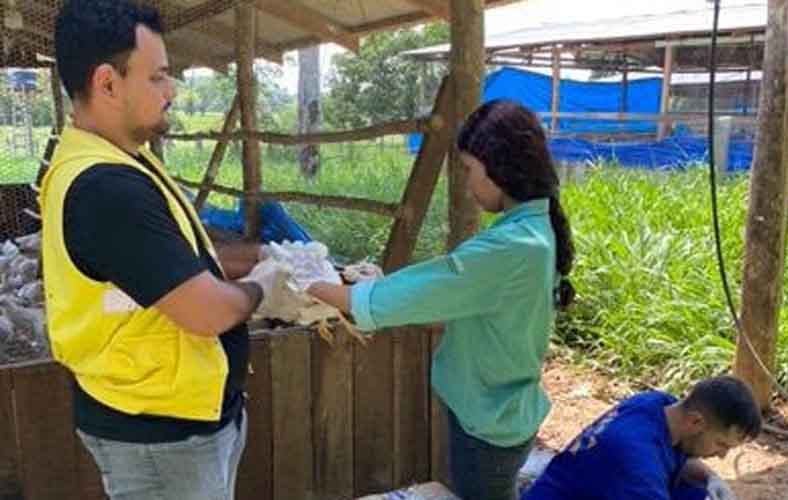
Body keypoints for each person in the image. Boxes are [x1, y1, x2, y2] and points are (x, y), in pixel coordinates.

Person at [41, 1, 290, 499]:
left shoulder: (119, 162)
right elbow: (205, 311)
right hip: (160, 434)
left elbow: (180, 262)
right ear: (108, 83)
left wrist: (262, 256)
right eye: (158, 77)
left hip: (170, 418)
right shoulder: (107, 188)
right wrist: (263, 290)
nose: (171, 90)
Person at [308, 99, 576, 500]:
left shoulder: (511, 247)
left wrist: (304, 283)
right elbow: (461, 297)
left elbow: (425, 288)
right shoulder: (535, 231)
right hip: (501, 411)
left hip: (487, 424)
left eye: (469, 170)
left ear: (501, 167)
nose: (467, 186)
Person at [522, 376, 762, 500]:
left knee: (695, 493)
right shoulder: (637, 465)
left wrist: (711, 478)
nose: (721, 455)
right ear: (696, 422)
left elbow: (674, 454)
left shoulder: (658, 404)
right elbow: (644, 466)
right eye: (721, 444)